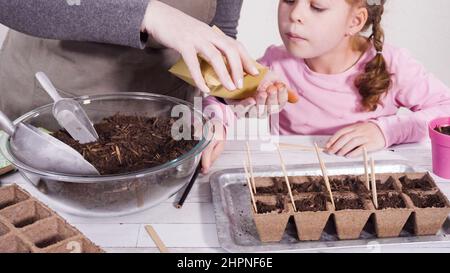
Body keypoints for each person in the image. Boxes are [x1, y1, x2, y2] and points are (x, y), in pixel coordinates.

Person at [202, 0, 450, 173]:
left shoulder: (392, 64)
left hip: (371, 184)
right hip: (294, 184)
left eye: (317, 6)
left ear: (355, 21)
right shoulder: (275, 64)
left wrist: (386, 131)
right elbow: (219, 98)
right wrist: (216, 123)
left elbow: (445, 111)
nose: (295, 14)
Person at [0, 0, 258, 119]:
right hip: (48, 117)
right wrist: (146, 14)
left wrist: (229, 90)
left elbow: (216, 35)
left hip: (167, 123)